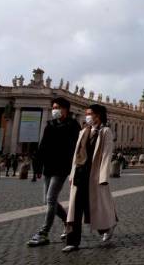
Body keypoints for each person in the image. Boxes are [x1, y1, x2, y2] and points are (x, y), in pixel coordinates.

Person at [28, 97, 82, 247]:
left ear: (66, 109)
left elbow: (76, 149)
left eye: (57, 107)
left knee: (51, 198)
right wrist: (37, 167)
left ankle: (44, 232)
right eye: (53, 107)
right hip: (48, 167)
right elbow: (42, 147)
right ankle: (67, 223)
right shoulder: (50, 125)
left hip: (62, 167)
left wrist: (74, 167)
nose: (54, 110)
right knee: (47, 200)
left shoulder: (73, 125)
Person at [63, 104, 118, 253]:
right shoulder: (83, 131)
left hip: (94, 175)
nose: (87, 116)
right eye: (86, 113)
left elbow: (107, 154)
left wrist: (103, 176)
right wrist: (72, 173)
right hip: (80, 173)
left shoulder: (105, 132)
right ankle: (72, 241)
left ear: (98, 115)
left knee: (94, 206)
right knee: (75, 208)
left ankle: (107, 227)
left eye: (89, 113)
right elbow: (77, 154)